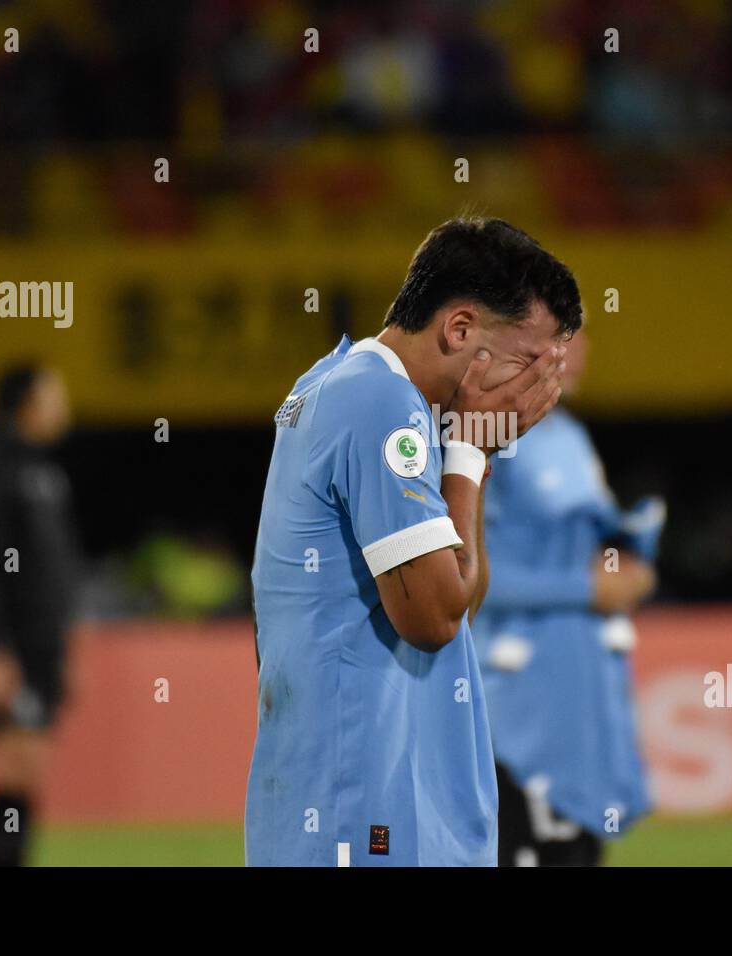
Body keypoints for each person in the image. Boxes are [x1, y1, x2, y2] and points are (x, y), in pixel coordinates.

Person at [246, 217, 581, 866]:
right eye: (524, 360)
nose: (532, 390)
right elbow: (431, 618)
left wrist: (465, 455)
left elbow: (455, 602)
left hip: (354, 796)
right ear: (459, 330)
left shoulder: (337, 382)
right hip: (362, 804)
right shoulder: (380, 401)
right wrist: (471, 449)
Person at [473, 331, 659, 865]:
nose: (574, 351)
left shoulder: (572, 437)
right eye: (557, 336)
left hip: (581, 697)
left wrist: (628, 561)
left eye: (580, 336)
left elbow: (584, 549)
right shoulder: (486, 438)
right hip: (518, 702)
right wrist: (588, 588)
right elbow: (471, 576)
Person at [0, 364, 81, 866]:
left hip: (42, 649)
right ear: (27, 402)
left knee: (30, 767)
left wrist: (62, 647)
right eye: (55, 394)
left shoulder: (44, 472)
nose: (64, 406)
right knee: (14, 767)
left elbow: (56, 571)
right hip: (14, 648)